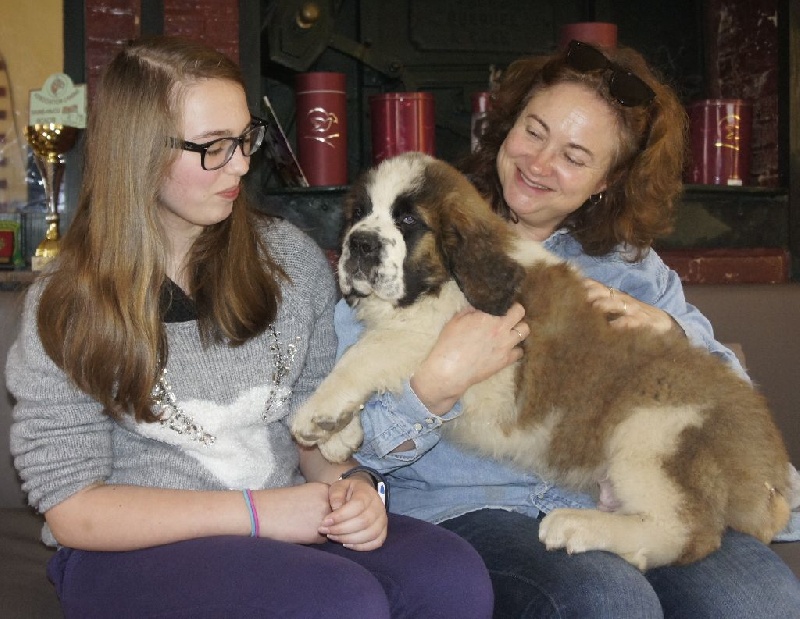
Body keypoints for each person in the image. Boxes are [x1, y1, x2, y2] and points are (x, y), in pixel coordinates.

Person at [5, 35, 494, 619]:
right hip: (126, 548)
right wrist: (259, 513)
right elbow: (72, 507)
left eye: (245, 138)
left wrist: (355, 488)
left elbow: (310, 432)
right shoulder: (67, 300)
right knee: (340, 601)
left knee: (449, 575)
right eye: (213, 146)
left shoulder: (288, 260)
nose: (240, 163)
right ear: (137, 152)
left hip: (280, 517)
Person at [337, 40, 800, 617]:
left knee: (758, 598)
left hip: (622, 498)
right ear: (505, 125)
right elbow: (353, 444)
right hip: (471, 506)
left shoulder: (630, 269)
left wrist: (671, 334)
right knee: (604, 599)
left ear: (608, 179)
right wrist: (433, 384)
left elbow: (727, 402)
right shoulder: (408, 227)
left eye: (575, 157)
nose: (538, 163)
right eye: (534, 131)